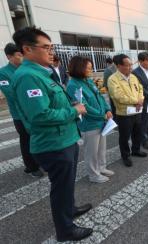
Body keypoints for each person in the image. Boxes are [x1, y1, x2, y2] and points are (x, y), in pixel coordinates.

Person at [12, 26, 92, 241]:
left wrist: (70, 103)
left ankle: (70, 209)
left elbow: (52, 101)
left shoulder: (42, 73)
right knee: (60, 187)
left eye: (52, 47)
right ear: (27, 49)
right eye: (46, 47)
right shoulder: (28, 76)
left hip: (66, 137)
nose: (51, 51)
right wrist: (73, 110)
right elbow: (40, 115)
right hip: (54, 144)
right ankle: (65, 230)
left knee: (66, 185)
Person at [66, 56, 114, 183]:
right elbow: (83, 106)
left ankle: (101, 167)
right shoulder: (73, 85)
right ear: (79, 68)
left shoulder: (88, 80)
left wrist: (107, 109)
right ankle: (93, 174)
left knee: (101, 147)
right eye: (88, 68)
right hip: (89, 124)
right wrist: (101, 114)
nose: (90, 70)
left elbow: (100, 97)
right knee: (91, 151)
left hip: (101, 121)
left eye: (91, 68)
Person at [0, 43, 43, 177]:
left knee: (36, 137)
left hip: (34, 111)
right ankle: (30, 167)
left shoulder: (27, 69)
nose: (22, 58)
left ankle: (38, 161)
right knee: (26, 139)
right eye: (19, 55)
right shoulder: (3, 73)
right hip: (19, 114)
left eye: (22, 55)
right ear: (9, 57)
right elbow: (11, 94)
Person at [108, 54, 147, 167]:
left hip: (137, 110)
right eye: (128, 65)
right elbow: (118, 96)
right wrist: (136, 101)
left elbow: (140, 89)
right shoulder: (113, 79)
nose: (131, 67)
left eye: (131, 65)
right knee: (124, 136)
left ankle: (136, 150)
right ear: (119, 66)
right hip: (124, 113)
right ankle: (125, 156)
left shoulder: (133, 77)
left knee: (137, 132)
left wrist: (141, 99)